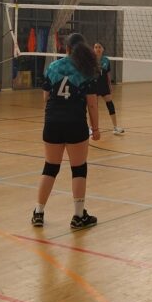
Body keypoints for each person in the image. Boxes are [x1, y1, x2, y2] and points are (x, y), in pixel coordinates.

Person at [31, 33, 101, 230]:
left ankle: (38, 213)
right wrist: (95, 129)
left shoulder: (53, 67)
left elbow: (45, 98)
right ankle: (78, 217)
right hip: (75, 123)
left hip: (52, 122)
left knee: (50, 167)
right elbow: (92, 104)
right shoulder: (86, 69)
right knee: (78, 169)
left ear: (67, 48)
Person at [92, 42, 124, 135]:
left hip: (104, 86)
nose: (97, 49)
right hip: (94, 85)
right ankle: (92, 128)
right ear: (93, 49)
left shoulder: (106, 60)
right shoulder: (91, 59)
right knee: (93, 107)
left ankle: (115, 127)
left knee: (110, 104)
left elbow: (108, 74)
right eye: (95, 47)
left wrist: (110, 85)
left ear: (103, 49)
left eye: (99, 47)